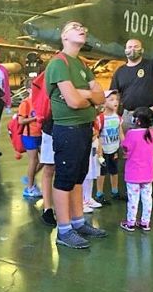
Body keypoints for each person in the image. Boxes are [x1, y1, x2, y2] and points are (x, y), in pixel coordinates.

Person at [45, 21, 108, 249]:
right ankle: (64, 230)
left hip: (84, 128)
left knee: (78, 177)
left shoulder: (80, 63)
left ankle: (78, 222)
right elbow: (73, 101)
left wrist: (86, 94)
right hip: (68, 129)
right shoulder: (59, 63)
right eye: (75, 27)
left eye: (83, 28)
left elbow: (101, 97)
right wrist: (88, 96)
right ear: (64, 36)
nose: (82, 29)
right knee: (64, 179)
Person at [110, 37, 153, 203]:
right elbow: (115, 95)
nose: (132, 49)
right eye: (129, 46)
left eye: (136, 46)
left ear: (142, 50)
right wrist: (114, 115)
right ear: (125, 50)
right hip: (129, 115)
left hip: (151, 113)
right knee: (128, 152)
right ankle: (132, 185)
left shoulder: (151, 65)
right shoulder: (120, 72)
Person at [120, 107, 153, 232]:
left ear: (137, 121)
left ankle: (130, 222)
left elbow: (125, 146)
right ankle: (145, 222)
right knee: (147, 198)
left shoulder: (131, 134)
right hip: (148, 172)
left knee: (133, 199)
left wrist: (120, 132)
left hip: (133, 173)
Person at [94, 90, 125, 204]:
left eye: (116, 99)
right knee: (101, 172)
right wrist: (99, 152)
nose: (115, 102)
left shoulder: (118, 118)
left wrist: (125, 145)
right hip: (103, 151)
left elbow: (120, 132)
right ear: (104, 102)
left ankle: (115, 191)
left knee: (114, 170)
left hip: (114, 149)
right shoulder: (100, 119)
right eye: (111, 100)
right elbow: (97, 135)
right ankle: (99, 194)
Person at [17, 79, 43, 198]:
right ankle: (30, 187)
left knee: (45, 159)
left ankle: (30, 177)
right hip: (29, 135)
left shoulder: (40, 102)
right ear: (28, 90)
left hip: (40, 134)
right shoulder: (26, 103)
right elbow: (21, 120)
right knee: (34, 160)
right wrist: (35, 118)